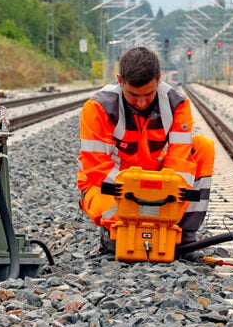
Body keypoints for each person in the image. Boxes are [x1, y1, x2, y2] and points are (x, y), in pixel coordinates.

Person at [78, 47, 215, 259]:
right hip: (113, 188)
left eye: (148, 94)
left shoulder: (177, 104)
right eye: (134, 95)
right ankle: (112, 237)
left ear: (159, 79)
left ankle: (185, 237)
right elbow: (96, 169)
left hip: (158, 183)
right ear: (120, 80)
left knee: (203, 146)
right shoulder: (98, 108)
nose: (141, 102)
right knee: (112, 212)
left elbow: (180, 161)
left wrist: (165, 197)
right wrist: (139, 193)